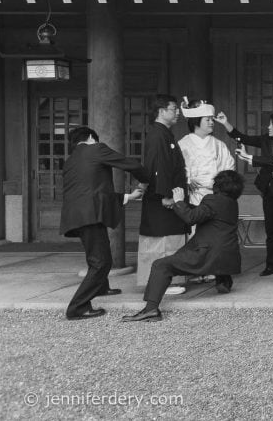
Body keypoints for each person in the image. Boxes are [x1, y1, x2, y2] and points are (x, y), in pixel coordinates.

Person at [122, 170, 245, 322]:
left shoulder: (212, 199)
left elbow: (191, 218)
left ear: (217, 185)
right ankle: (223, 280)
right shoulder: (231, 204)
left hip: (207, 254)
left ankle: (151, 309)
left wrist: (179, 200)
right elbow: (204, 213)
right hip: (227, 256)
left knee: (161, 265)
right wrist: (177, 205)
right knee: (215, 248)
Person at [60, 126, 150, 320]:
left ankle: (101, 287)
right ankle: (78, 307)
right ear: (92, 137)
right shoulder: (96, 149)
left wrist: (129, 196)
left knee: (97, 253)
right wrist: (146, 180)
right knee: (101, 262)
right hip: (89, 214)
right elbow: (131, 165)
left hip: (77, 214)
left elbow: (93, 191)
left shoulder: (71, 160)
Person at [216, 110, 273, 278]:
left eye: (272, 125)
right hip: (268, 190)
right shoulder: (266, 140)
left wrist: (250, 158)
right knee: (272, 231)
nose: (268, 127)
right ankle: (272, 265)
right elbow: (242, 137)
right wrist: (225, 123)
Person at [137, 94, 191, 294]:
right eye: (173, 109)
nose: (177, 112)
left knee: (170, 239)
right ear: (161, 112)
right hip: (163, 197)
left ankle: (165, 280)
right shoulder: (158, 134)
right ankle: (160, 282)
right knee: (162, 241)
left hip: (168, 193)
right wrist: (165, 195)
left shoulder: (164, 133)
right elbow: (158, 167)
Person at [178, 98, 235, 207]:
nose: (212, 123)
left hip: (216, 195)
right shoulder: (183, 144)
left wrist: (220, 185)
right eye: (207, 120)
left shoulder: (219, 145)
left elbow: (229, 166)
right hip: (192, 194)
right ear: (196, 121)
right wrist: (186, 178)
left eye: (212, 120)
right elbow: (176, 168)